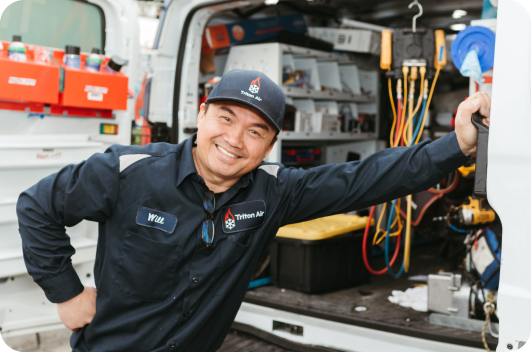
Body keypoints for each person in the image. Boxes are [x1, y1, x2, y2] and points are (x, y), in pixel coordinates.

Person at [17, 69, 491, 352]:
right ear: (202, 115)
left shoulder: (275, 191)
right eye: (225, 118)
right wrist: (66, 294)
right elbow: (37, 205)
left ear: (270, 144)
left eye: (255, 131)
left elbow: (367, 178)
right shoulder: (128, 171)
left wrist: (458, 144)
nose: (234, 140)